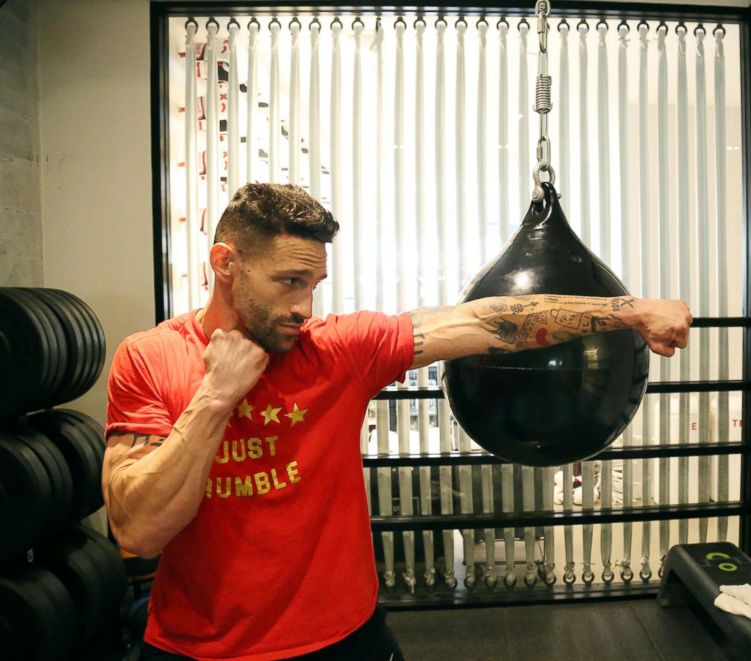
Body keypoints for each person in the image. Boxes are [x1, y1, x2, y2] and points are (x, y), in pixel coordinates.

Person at [102, 183, 693, 660]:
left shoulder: (336, 351)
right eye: (289, 282)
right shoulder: (149, 358)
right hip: (199, 648)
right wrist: (216, 396)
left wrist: (630, 311)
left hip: (344, 640)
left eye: (313, 284)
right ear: (225, 263)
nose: (304, 307)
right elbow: (138, 530)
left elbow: (488, 321)